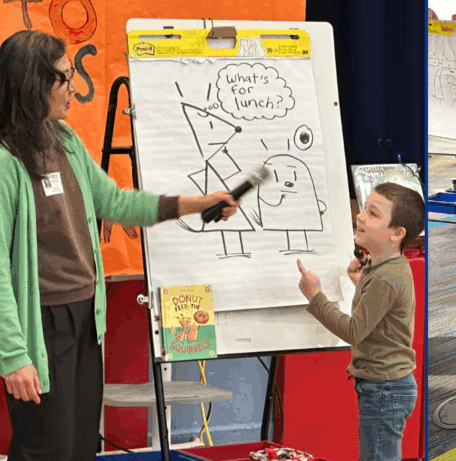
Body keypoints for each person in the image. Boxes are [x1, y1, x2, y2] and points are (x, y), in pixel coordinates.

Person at [0, 29, 239, 459]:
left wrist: (198, 203)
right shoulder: (5, 161)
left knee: (77, 448)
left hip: (84, 318)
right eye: (64, 77)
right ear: (34, 84)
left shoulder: (65, 141)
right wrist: (14, 355)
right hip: (42, 325)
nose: (74, 87)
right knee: (46, 449)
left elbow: (117, 202)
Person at [297, 182, 423, 461]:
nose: (361, 217)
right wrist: (361, 280)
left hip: (385, 387)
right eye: (365, 208)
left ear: (397, 234)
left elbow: (354, 330)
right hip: (385, 385)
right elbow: (379, 318)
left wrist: (315, 297)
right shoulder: (384, 269)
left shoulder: (385, 277)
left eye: (373, 214)